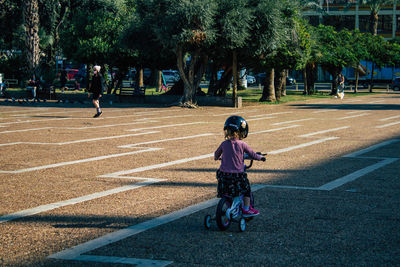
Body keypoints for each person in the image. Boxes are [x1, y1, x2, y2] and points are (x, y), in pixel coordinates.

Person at [214, 115, 266, 217]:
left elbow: (216, 154)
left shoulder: (224, 144)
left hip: (223, 175)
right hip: (237, 176)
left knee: (226, 192)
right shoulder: (242, 144)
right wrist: (261, 158)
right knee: (246, 189)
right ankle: (246, 209)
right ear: (241, 131)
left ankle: (226, 208)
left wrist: (218, 158)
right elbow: (252, 154)